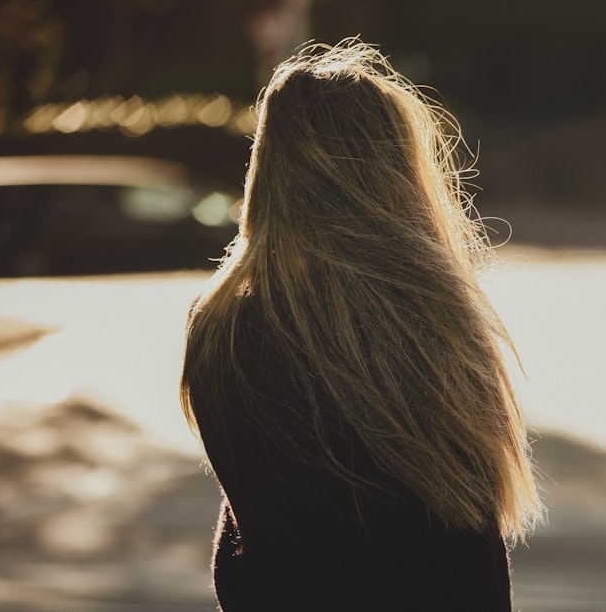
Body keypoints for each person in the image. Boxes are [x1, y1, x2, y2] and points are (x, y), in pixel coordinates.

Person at [180, 38, 543, 611]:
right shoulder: (422, 316)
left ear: (269, 166)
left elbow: (243, 525)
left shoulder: (220, 319)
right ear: (394, 169)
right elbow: (466, 543)